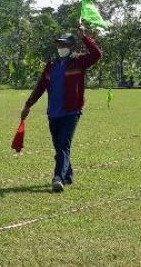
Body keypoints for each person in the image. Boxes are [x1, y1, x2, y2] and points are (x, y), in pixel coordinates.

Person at [20, 23, 103, 192]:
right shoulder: (51, 65)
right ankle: (68, 175)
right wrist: (28, 105)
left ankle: (58, 177)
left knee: (63, 145)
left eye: (64, 44)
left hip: (71, 112)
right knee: (59, 146)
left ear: (72, 47)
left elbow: (97, 54)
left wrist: (84, 36)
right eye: (59, 44)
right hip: (53, 113)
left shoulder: (79, 62)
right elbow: (41, 86)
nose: (61, 47)